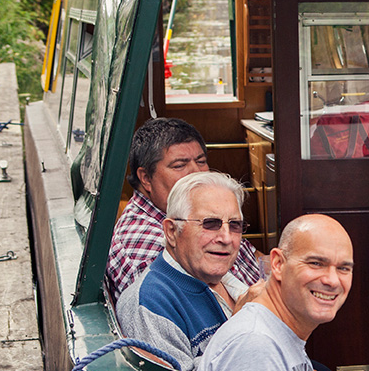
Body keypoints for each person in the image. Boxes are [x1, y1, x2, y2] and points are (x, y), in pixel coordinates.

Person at [196, 214, 369, 371]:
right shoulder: (255, 345)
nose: (332, 280)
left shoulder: (276, 331)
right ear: (278, 264)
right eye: (316, 263)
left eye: (343, 268)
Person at [106, 118, 262, 305]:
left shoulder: (200, 212)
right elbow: (208, 314)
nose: (197, 172)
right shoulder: (151, 244)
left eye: (201, 161)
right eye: (179, 165)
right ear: (146, 178)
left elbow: (255, 258)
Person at [116, 172, 249, 371]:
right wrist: (240, 329)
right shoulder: (150, 303)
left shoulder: (223, 275)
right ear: (171, 231)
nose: (226, 238)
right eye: (210, 224)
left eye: (235, 225)